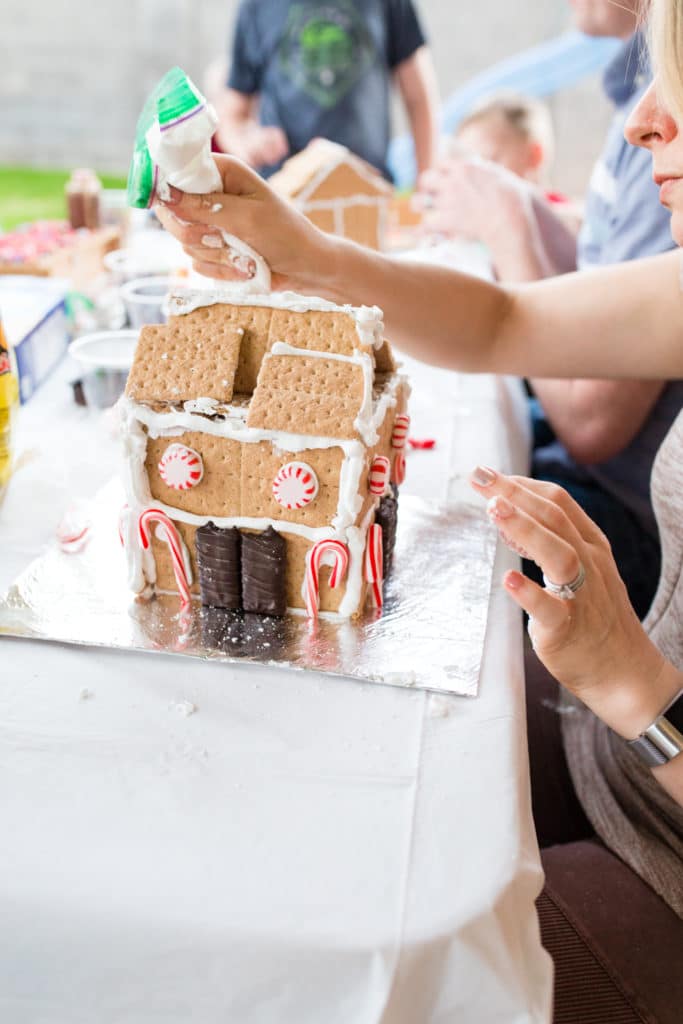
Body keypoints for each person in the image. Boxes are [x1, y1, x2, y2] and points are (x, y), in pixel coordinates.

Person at [155, 0, 683, 1013]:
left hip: (657, 840)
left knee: (354, 967)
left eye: (680, 83)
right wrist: (300, 247)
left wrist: (635, 689)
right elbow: (501, 320)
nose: (636, 119)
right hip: (621, 748)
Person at [418, 1, 682, 622]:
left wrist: (509, 228)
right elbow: (605, 266)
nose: (640, 126)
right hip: (601, 487)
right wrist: (527, 211)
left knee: (442, 572)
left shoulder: (663, 122)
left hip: (626, 522)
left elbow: (590, 422)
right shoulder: (639, 101)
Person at [210, 0, 439, 180]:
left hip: (369, 189)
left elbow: (419, 98)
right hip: (284, 196)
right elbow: (231, 118)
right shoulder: (256, 7)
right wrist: (250, 142)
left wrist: (426, 183)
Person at [453, 91, 555, 185]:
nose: (474, 175)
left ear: (534, 156)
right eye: (468, 163)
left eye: (489, 161)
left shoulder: (555, 205)